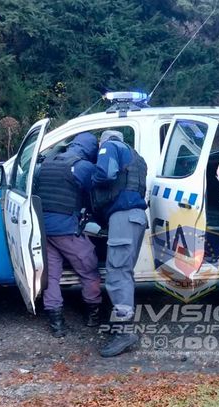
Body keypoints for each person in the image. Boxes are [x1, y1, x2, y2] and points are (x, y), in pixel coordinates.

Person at [34, 132, 103, 338]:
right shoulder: (83, 166)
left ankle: (56, 324)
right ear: (90, 150)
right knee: (88, 268)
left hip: (43, 229)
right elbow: (95, 194)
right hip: (66, 230)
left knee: (52, 276)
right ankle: (93, 314)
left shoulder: (45, 163)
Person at [91, 130, 148, 357]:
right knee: (125, 271)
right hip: (135, 217)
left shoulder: (111, 146)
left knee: (117, 272)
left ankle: (124, 331)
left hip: (123, 216)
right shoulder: (137, 157)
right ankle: (122, 321)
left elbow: (105, 173)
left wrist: (91, 183)